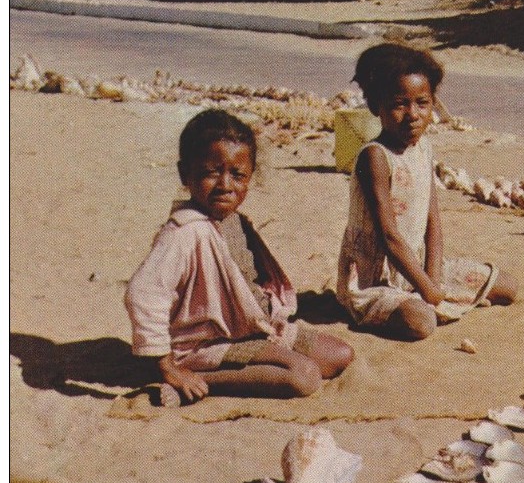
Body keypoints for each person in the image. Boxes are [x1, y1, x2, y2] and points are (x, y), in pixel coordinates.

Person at [125, 109, 353, 406]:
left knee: (339, 356)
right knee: (304, 376)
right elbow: (142, 293)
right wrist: (167, 365)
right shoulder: (186, 233)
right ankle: (195, 380)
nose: (225, 184)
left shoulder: (234, 221)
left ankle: (258, 359)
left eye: (237, 174)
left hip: (251, 329)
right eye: (210, 172)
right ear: (185, 174)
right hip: (206, 343)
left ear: (250, 176)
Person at [336, 43, 516, 340]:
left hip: (415, 266)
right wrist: (429, 292)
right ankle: (403, 304)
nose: (413, 115)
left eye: (422, 103)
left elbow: (433, 219)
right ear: (375, 106)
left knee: (507, 287)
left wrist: (431, 279)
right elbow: (389, 236)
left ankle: (421, 296)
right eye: (398, 104)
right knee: (421, 322)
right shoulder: (375, 157)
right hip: (375, 276)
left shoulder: (423, 148)